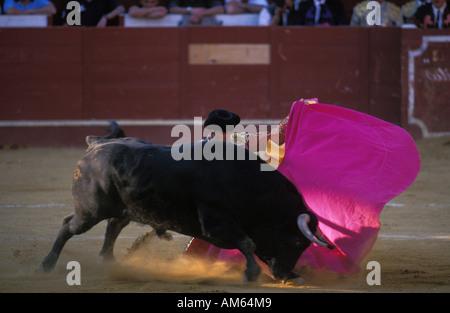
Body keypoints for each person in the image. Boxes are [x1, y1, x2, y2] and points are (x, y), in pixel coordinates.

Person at [185, 99, 420, 277]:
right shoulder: (232, 143)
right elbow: (275, 136)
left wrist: (297, 114)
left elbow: (277, 135)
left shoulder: (214, 146)